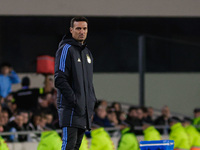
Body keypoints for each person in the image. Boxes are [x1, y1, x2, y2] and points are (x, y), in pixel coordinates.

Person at [54, 16, 97, 150]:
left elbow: (88, 83)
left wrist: (91, 102)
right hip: (71, 109)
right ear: (71, 30)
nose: (82, 31)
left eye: (84, 28)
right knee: (69, 145)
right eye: (78, 28)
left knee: (76, 146)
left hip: (83, 110)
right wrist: (75, 100)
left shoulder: (87, 53)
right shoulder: (65, 49)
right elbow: (59, 79)